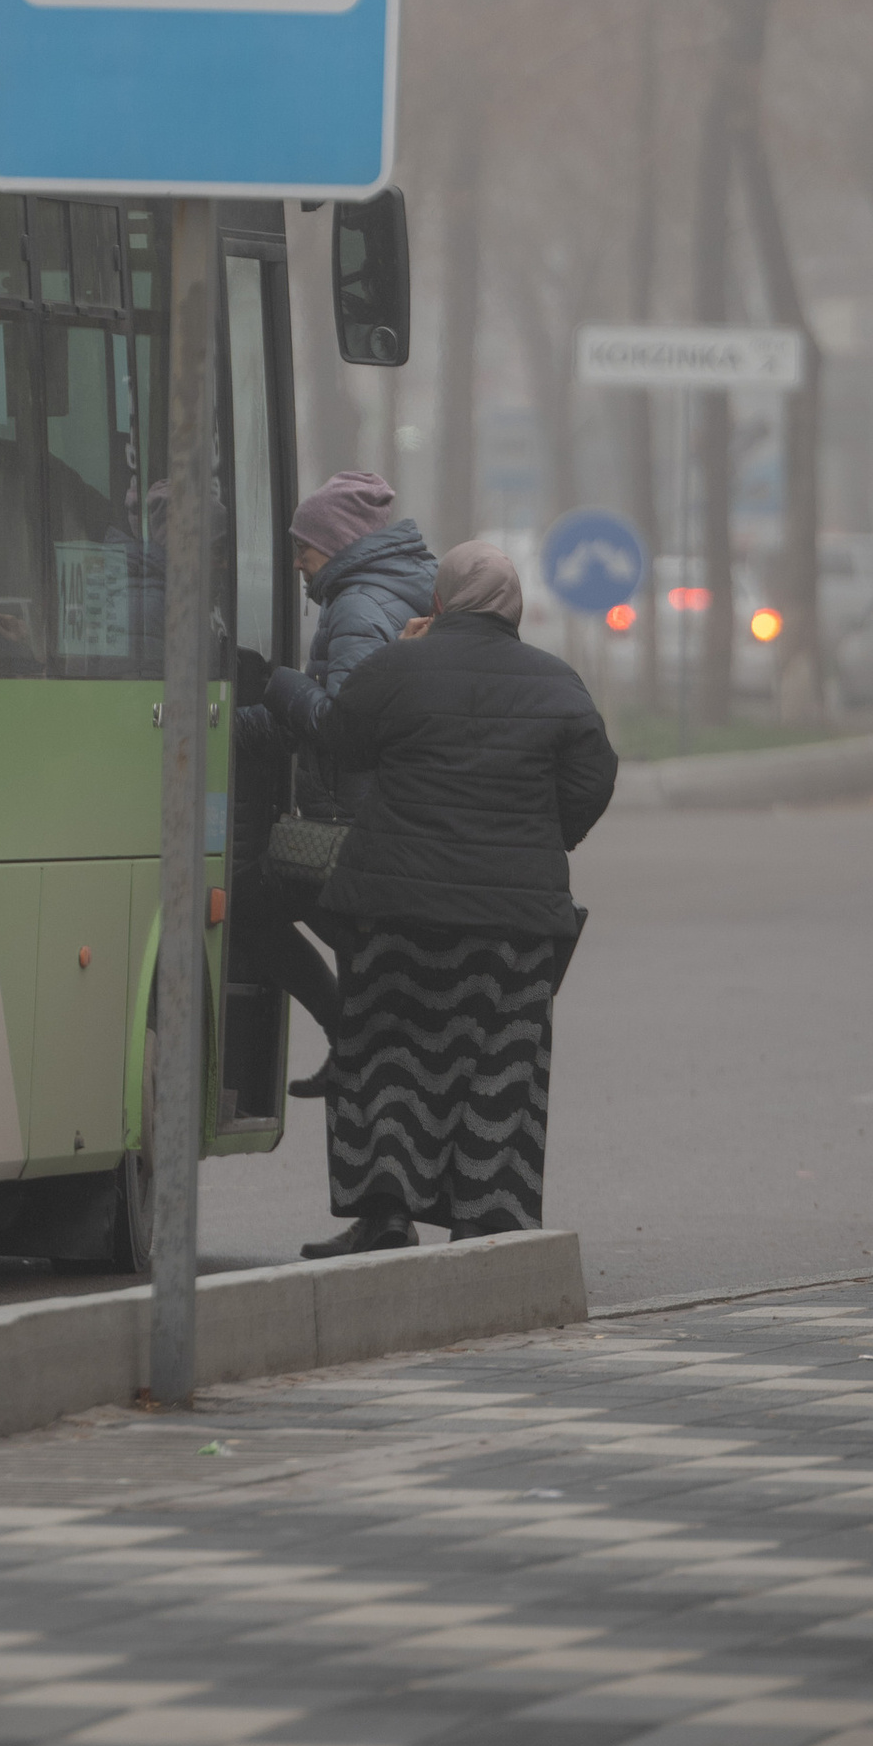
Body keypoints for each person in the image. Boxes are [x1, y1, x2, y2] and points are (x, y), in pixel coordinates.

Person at [293, 537, 617, 1258]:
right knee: (500, 1063)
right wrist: (543, 834)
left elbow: (342, 742)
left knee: (383, 1056)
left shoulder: (398, 668)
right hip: (513, 924)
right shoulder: (558, 683)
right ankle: (489, 1223)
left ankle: (383, 1217)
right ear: (517, 607)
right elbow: (592, 780)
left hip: (395, 913)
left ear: (439, 601)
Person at [233, 472, 438, 1071]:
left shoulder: (356, 604)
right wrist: (249, 719)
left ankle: (348, 1036)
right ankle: (363, 1049)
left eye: (304, 546)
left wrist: (276, 684)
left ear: (341, 542)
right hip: (386, 819)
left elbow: (346, 729)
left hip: (354, 825)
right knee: (367, 959)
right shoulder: (403, 586)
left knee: (248, 905)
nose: (296, 561)